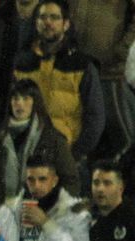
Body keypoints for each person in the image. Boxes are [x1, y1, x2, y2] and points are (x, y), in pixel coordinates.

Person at [10, 1, 104, 167]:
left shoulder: (82, 65)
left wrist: (75, 154)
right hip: (28, 154)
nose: (48, 22)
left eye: (54, 17)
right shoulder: (22, 64)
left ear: (66, 24)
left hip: (69, 154)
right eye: (42, 17)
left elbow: (95, 117)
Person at [0, 79, 77, 206]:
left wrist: (55, 209)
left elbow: (70, 180)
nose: (19, 104)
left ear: (35, 102)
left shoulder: (53, 139)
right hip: (4, 212)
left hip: (42, 211)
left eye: (26, 98)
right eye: (15, 99)